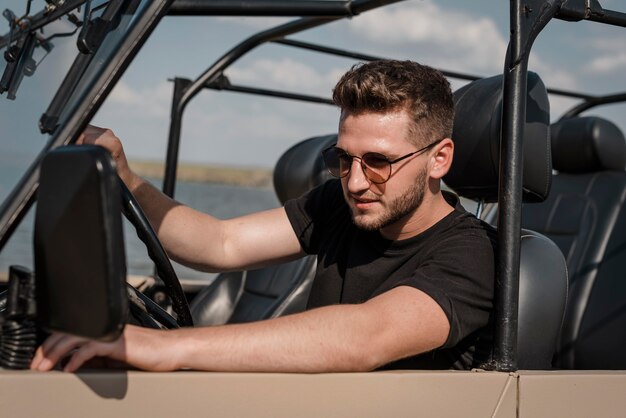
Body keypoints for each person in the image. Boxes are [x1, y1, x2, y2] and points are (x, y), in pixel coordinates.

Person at [31, 60, 496, 373]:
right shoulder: (342, 203)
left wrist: (167, 347)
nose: (355, 181)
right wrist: (125, 176)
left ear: (439, 159)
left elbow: (366, 337)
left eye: (379, 161)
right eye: (344, 158)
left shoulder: (474, 253)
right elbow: (220, 244)